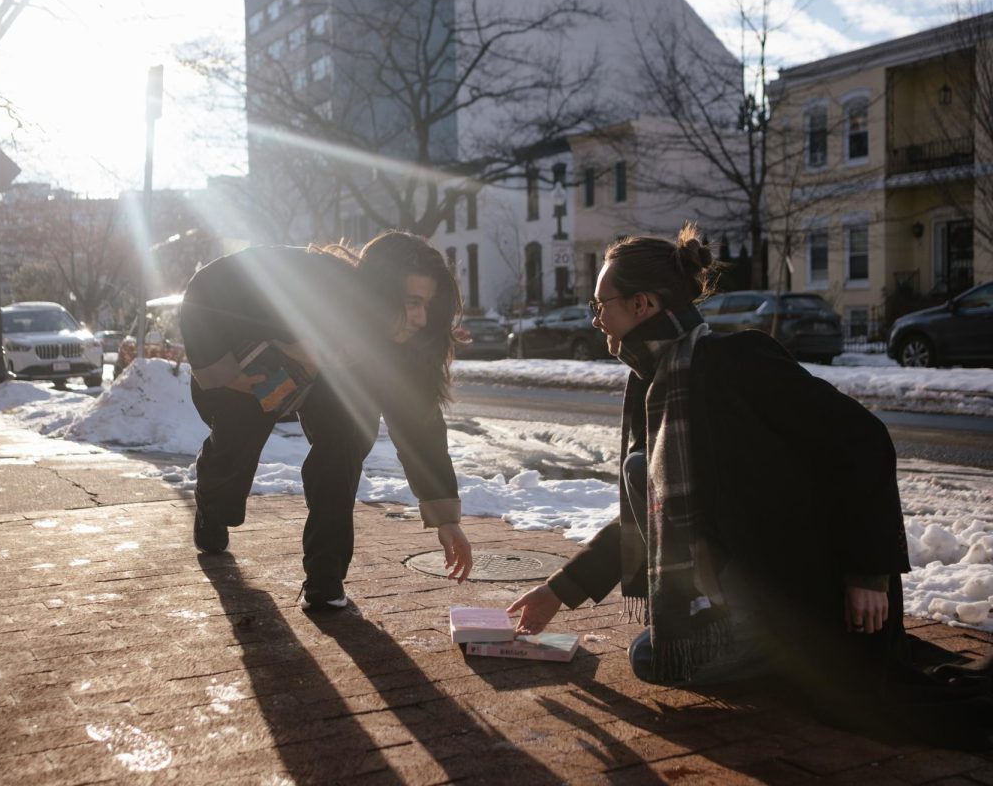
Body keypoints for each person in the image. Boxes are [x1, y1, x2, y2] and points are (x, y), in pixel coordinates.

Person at [507, 223, 991, 745]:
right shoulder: (651, 382)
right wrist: (560, 591)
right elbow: (650, 514)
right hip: (741, 579)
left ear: (642, 304)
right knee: (659, 641)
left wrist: (868, 573)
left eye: (601, 303)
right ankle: (764, 647)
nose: (595, 316)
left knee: (652, 656)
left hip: (796, 589)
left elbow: (864, 440)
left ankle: (787, 653)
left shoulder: (736, 362)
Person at [180, 231, 473, 610]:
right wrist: (219, 369)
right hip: (257, 369)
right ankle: (212, 503)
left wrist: (445, 516)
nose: (420, 318)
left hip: (333, 383)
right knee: (237, 443)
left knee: (346, 441)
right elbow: (208, 286)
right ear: (378, 293)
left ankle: (325, 578)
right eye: (411, 302)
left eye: (428, 305)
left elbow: (421, 426)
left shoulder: (405, 345)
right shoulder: (311, 277)